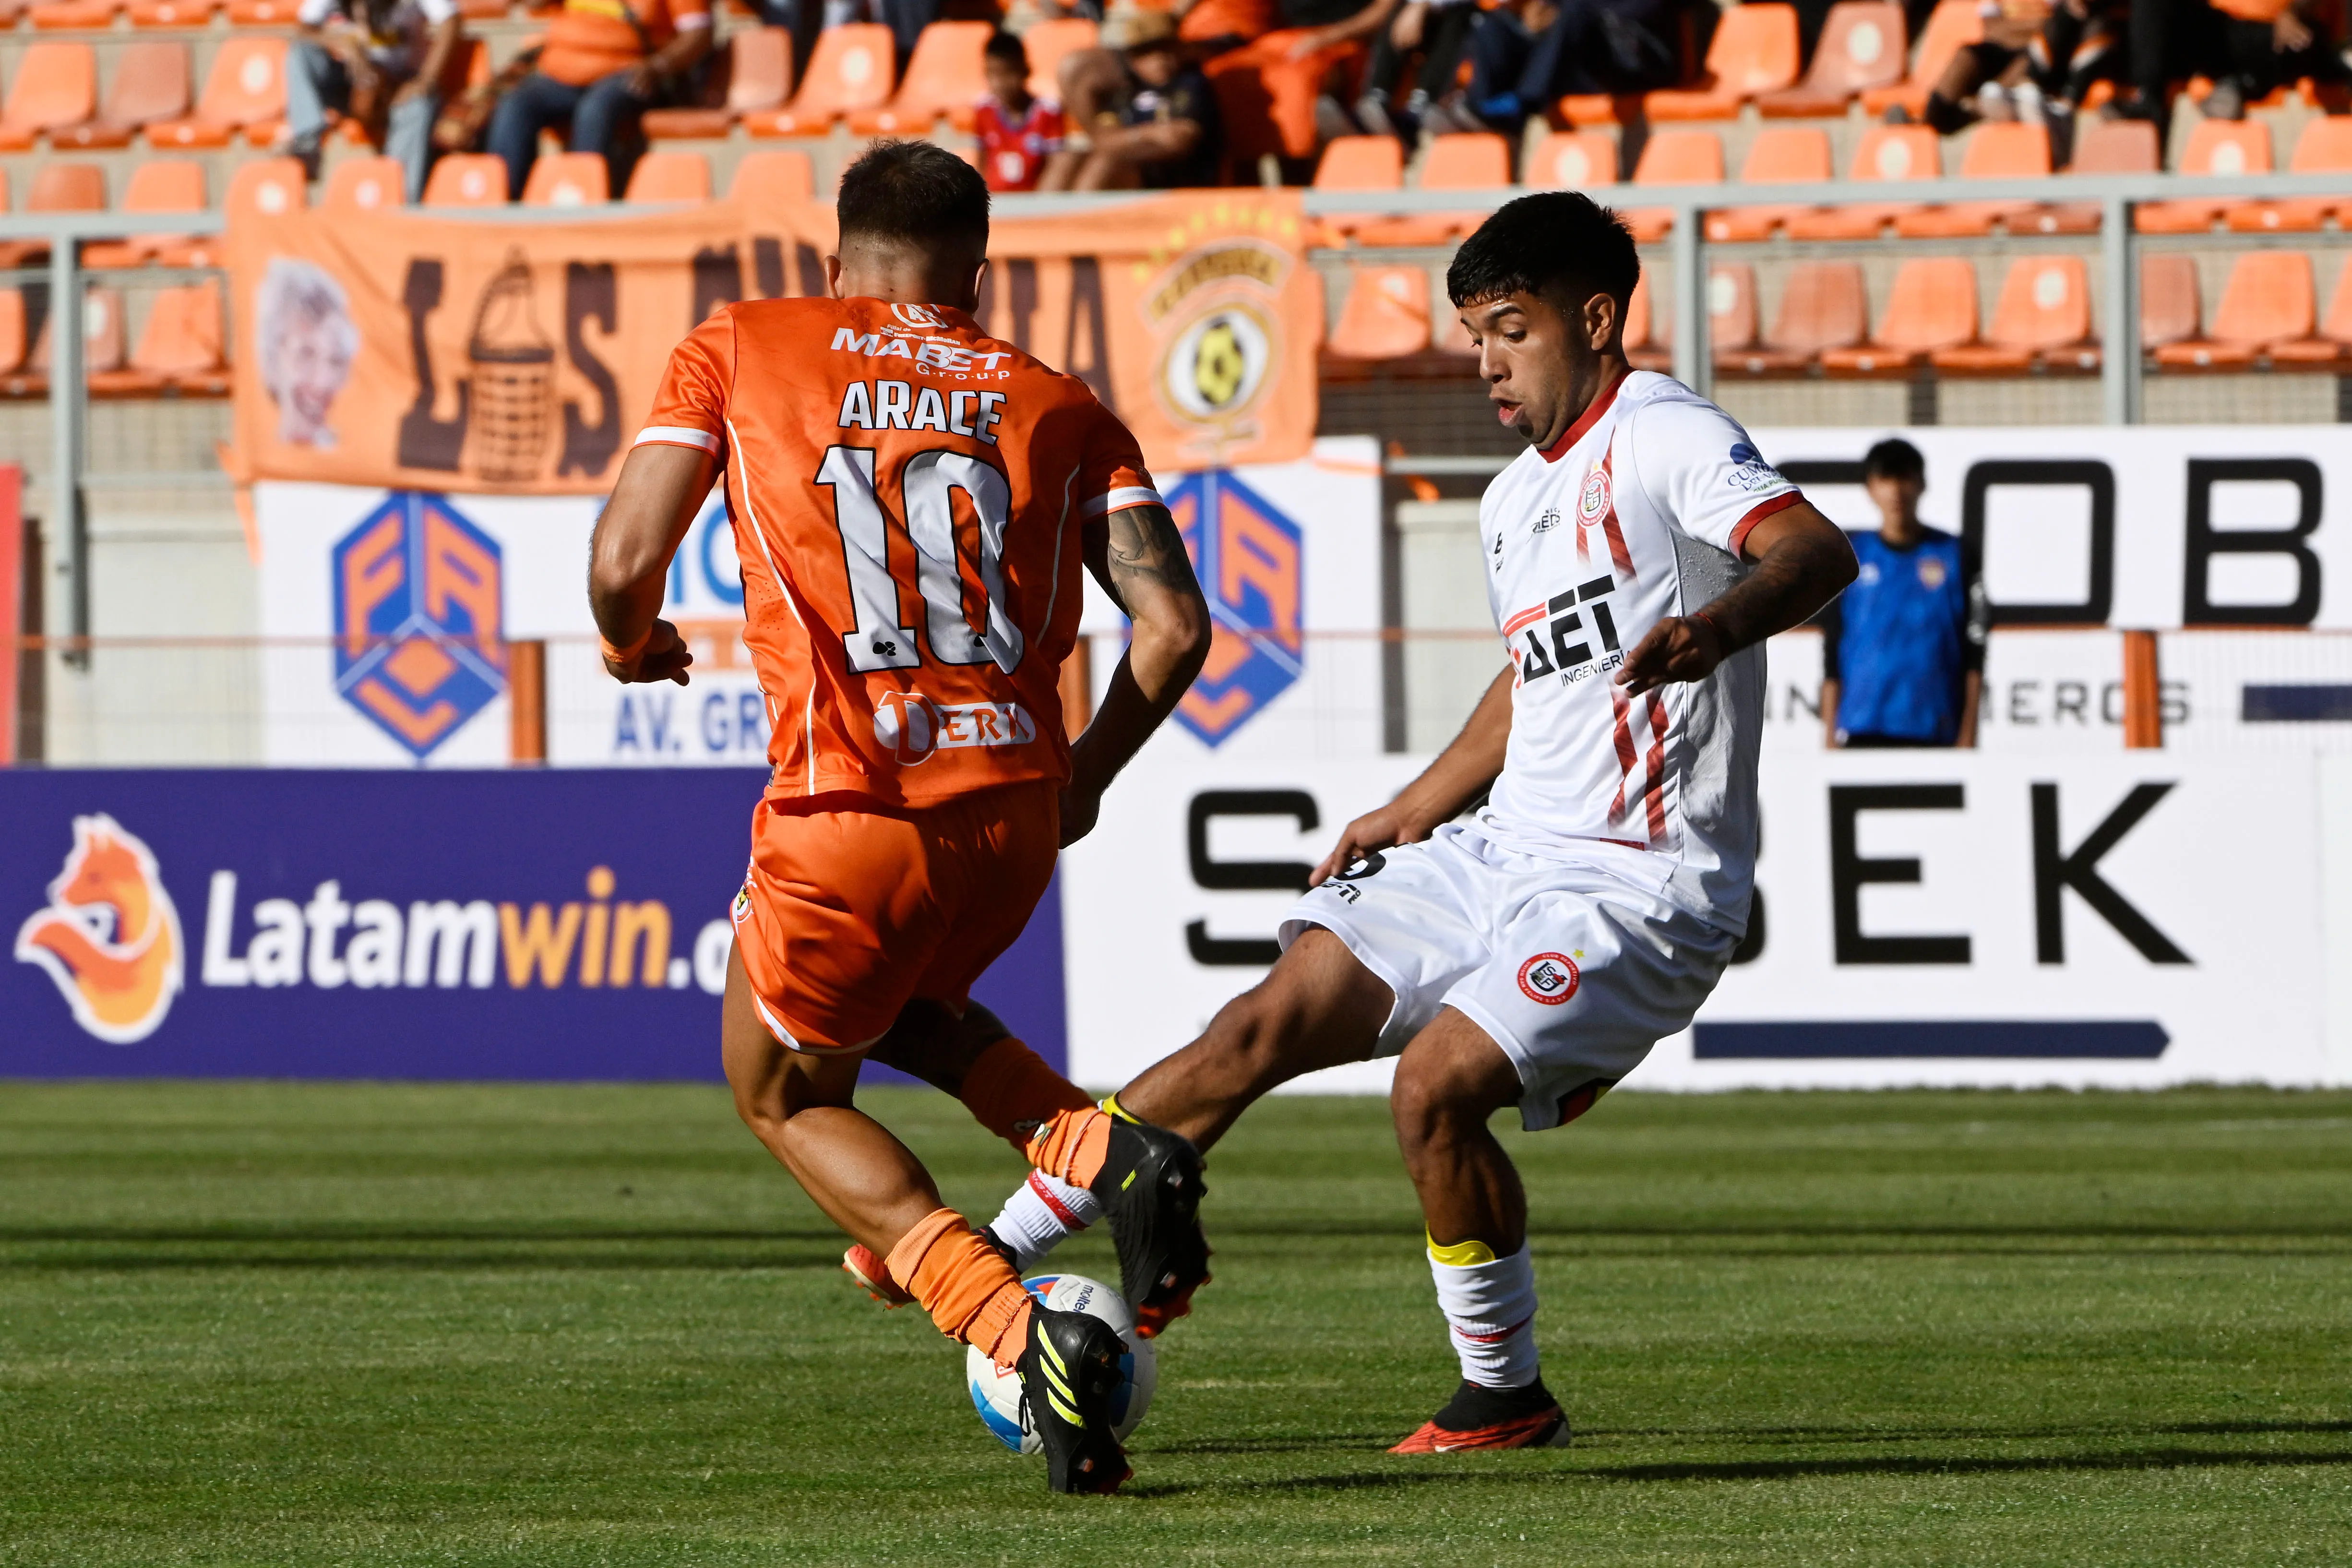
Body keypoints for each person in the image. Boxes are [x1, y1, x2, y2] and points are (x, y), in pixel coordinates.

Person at [894, 192, 1860, 1451]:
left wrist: (1717, 625)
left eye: (1508, 330)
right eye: (1471, 337)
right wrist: (1408, 807)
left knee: (1432, 1088)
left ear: (1597, 316)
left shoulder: (1663, 432)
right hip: (1499, 851)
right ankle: (996, 1248)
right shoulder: (1515, 500)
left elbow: (1811, 550)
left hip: (1637, 878)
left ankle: (1502, 1394)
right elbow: (1535, 679)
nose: (1486, 363)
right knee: (1258, 1020)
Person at [587, 141, 1213, 1495]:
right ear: (977, 275)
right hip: (1011, 819)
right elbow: (1170, 628)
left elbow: (624, 560)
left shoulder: (744, 342)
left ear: (833, 262)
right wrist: (1083, 775)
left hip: (849, 800)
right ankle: (1097, 1143)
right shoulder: (1057, 401)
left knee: (781, 1086)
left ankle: (1003, 1321)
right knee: (907, 998)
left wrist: (631, 643)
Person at [1816, 438, 1988, 749]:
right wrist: (1828, 735)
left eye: (1904, 478)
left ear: (1921, 484)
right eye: (1885, 479)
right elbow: (1832, 649)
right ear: (1870, 488)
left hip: (1935, 727)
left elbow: (1974, 650)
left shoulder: (1956, 555)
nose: (1895, 490)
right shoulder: (1849, 555)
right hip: (1863, 727)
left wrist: (1968, 734)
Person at [485, 0, 712, 202]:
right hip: (561, 71)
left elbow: (699, 32)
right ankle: (504, 208)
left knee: (595, 109)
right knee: (516, 106)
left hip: (632, 71)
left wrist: (658, 66)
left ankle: (583, 203)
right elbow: (533, 4)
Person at [287, 0, 463, 200]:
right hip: (348, 81)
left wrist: (426, 80)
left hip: (397, 83)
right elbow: (302, 30)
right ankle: (307, 145)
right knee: (302, 53)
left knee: (419, 104)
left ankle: (400, 197)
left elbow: (451, 21)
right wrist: (343, 43)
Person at [1432, 0, 1680, 135]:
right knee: (1496, 22)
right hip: (1587, 62)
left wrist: (1568, 11)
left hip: (1638, 60)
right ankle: (1480, 108)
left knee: (1575, 9)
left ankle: (1523, 102)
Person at [1043, 10, 1224, 189]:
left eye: (1165, 49)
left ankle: (1085, 217)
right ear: (1132, 59)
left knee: (1107, 163)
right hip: (1137, 166)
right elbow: (1104, 135)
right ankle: (1046, 216)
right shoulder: (1127, 90)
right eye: (1146, 53)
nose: (1159, 60)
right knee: (1066, 159)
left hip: (1175, 178)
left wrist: (1124, 139)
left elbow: (1181, 140)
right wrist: (1149, 134)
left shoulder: (1190, 84)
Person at [256, 257, 358, 449]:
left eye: (336, 361)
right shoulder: (263, 462)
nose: (323, 381)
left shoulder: (358, 456)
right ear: (272, 356)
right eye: (306, 355)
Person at [975, 29, 1066, 192]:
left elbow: (1057, 165)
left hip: (1034, 202)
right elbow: (981, 163)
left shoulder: (1048, 112)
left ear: (1026, 70)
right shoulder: (983, 110)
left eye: (1008, 73)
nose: (1000, 83)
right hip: (996, 203)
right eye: (993, 74)